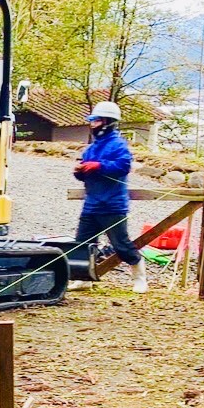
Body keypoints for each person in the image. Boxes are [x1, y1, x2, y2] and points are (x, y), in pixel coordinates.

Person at [73, 101, 148, 293]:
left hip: (113, 205)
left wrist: (100, 166)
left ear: (108, 122)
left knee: (121, 245)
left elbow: (124, 166)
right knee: (82, 244)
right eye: (92, 120)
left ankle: (140, 279)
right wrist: (79, 171)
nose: (92, 124)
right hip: (91, 204)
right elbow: (85, 175)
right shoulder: (90, 148)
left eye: (96, 120)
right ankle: (83, 279)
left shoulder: (119, 145)